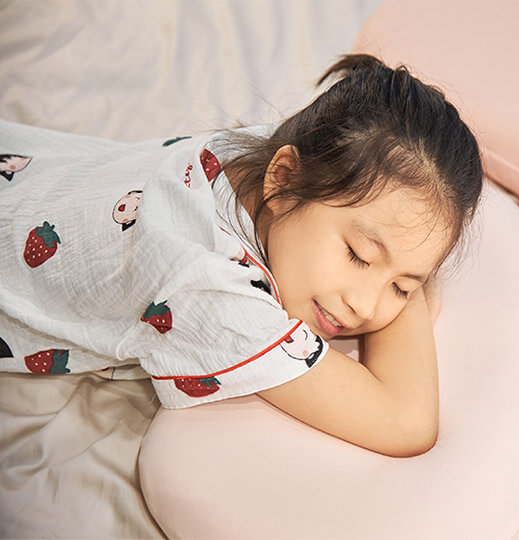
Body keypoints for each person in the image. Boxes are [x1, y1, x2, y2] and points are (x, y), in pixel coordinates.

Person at [0, 54, 482, 457]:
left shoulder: (253, 152)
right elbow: (406, 424)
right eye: (358, 255)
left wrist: (400, 261)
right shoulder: (211, 291)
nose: (364, 305)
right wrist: (410, 284)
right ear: (284, 179)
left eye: (401, 287)